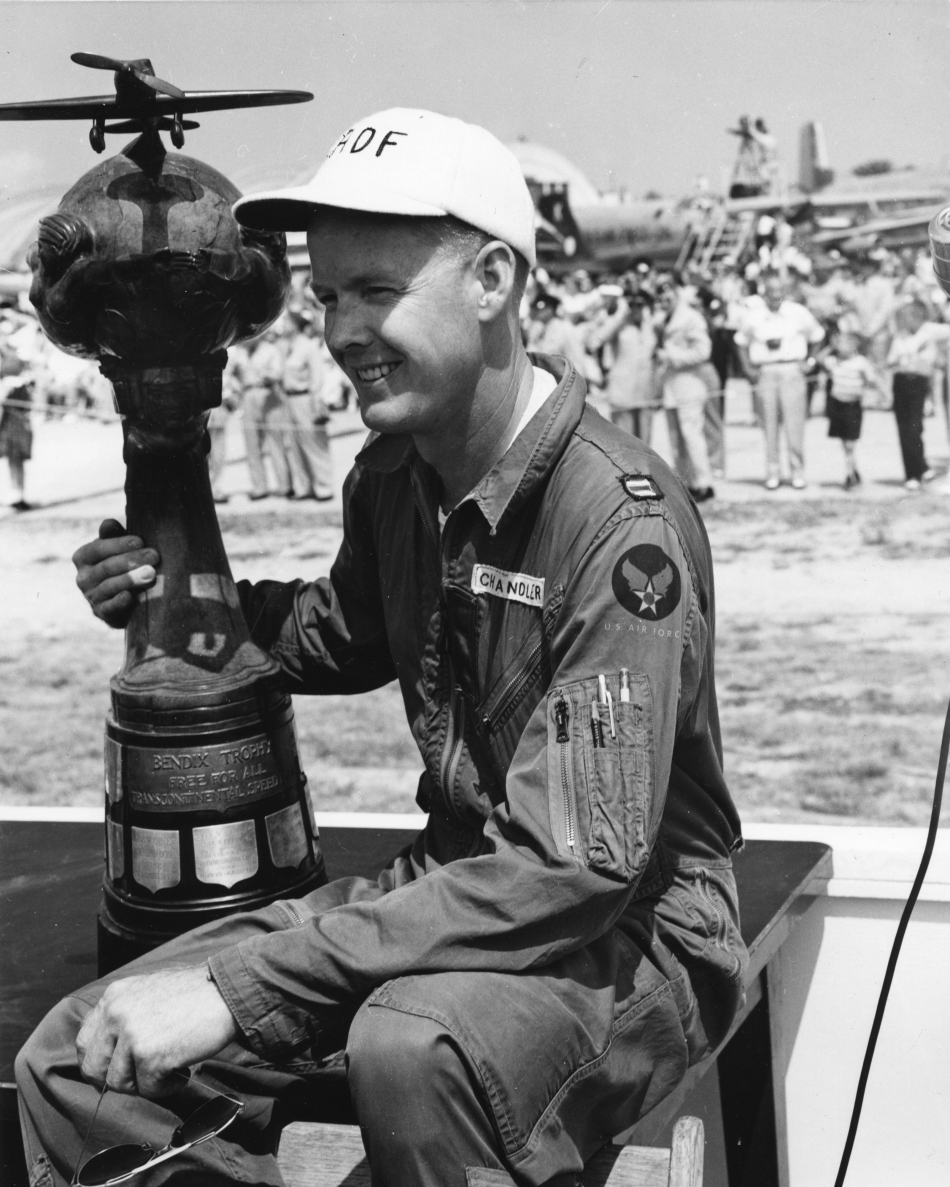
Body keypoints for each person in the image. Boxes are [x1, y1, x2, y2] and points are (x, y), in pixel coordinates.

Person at [18, 108, 746, 1187]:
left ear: (492, 281)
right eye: (325, 298)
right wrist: (175, 592)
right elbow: (336, 634)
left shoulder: (617, 522)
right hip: (458, 884)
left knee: (410, 1045)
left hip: (637, 929)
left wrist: (242, 985)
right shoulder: (394, 471)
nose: (340, 330)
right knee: (79, 1047)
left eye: (376, 291)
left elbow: (573, 867)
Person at [735, 274, 825, 490]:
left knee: (795, 424)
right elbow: (740, 341)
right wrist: (748, 368)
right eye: (771, 295)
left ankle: (797, 472)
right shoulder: (753, 316)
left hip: (791, 369)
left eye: (779, 294)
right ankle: (773, 472)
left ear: (785, 293)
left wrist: (810, 362)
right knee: (769, 423)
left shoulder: (797, 312)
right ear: (764, 295)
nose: (776, 299)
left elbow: (818, 335)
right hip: (766, 370)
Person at [655, 282, 716, 502]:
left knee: (691, 434)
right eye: (660, 298)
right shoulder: (664, 318)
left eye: (668, 297)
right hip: (671, 384)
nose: (664, 302)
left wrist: (672, 356)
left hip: (690, 382)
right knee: (675, 437)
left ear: (678, 294)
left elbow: (703, 351)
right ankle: (685, 483)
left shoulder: (691, 317)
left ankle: (704, 483)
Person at [886, 299, 949, 490]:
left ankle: (917, 470)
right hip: (902, 381)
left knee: (914, 427)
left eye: (909, 316)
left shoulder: (931, 330)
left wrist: (938, 354)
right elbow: (891, 361)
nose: (906, 321)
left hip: (919, 383)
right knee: (905, 428)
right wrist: (905, 359)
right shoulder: (900, 336)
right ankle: (914, 471)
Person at [236, 328, 295, 500]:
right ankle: (259, 487)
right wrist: (234, 387)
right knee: (252, 443)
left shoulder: (270, 350)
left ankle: (284, 485)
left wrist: (266, 375)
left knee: (275, 441)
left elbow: (277, 373)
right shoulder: (240, 352)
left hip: (268, 394)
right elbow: (229, 372)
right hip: (247, 395)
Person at [282, 309, 335, 501]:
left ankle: (324, 487)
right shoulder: (288, 346)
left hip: (305, 398)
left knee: (314, 441)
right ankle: (304, 487)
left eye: (288, 322)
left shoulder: (308, 346)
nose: (284, 326)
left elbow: (317, 377)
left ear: (297, 326)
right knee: (294, 446)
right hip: (289, 400)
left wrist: (316, 403)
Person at [821, 331, 884, 490]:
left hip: (852, 406)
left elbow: (872, 380)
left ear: (854, 345)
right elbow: (819, 360)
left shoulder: (861, 362)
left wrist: (877, 390)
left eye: (843, 343)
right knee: (844, 442)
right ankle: (852, 470)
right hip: (837, 404)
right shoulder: (834, 361)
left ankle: (850, 475)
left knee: (850, 443)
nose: (840, 346)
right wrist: (830, 347)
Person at [593, 290, 658, 442]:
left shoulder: (650, 327)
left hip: (644, 391)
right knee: (624, 442)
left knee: (645, 443)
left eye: (640, 304)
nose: (636, 308)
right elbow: (595, 341)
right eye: (631, 304)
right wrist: (620, 314)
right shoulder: (619, 326)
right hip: (623, 392)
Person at [0, 319, 35, 511]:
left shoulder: (17, 354)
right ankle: (14, 494)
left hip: (16, 413)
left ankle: (17, 494)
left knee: (16, 454)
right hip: (5, 412)